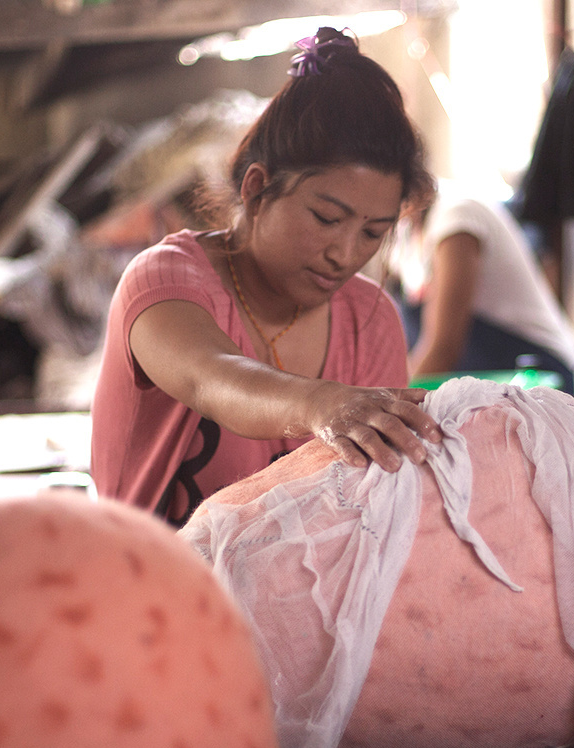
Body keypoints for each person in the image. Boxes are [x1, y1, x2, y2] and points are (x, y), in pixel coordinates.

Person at [90, 27, 442, 527]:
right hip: (148, 587)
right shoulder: (165, 282)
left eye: (373, 233)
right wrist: (323, 403)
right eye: (326, 218)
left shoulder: (370, 319)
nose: (345, 254)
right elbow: (210, 377)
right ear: (257, 189)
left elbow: (373, 506)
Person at [393, 183, 574, 402]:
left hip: (539, 375)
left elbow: (442, 349)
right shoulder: (408, 238)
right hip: (494, 381)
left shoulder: (457, 216)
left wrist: (390, 404)